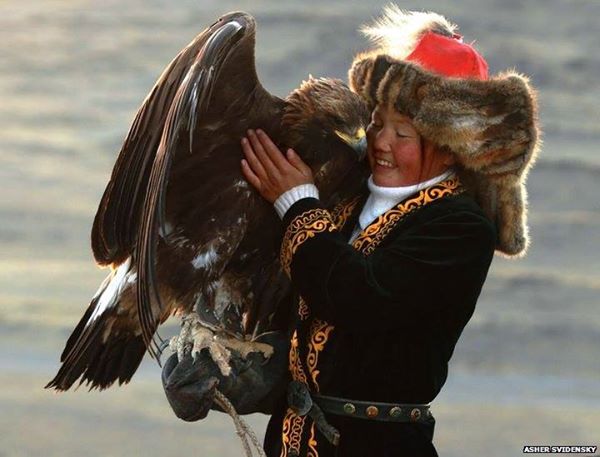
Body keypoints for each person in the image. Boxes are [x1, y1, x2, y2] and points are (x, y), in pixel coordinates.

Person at [162, 9, 539, 457]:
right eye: (378, 121)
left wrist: (297, 203)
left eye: (402, 133)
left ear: (448, 145)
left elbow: (359, 299)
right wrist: (246, 374)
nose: (379, 141)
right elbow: (314, 334)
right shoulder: (347, 198)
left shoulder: (460, 228)